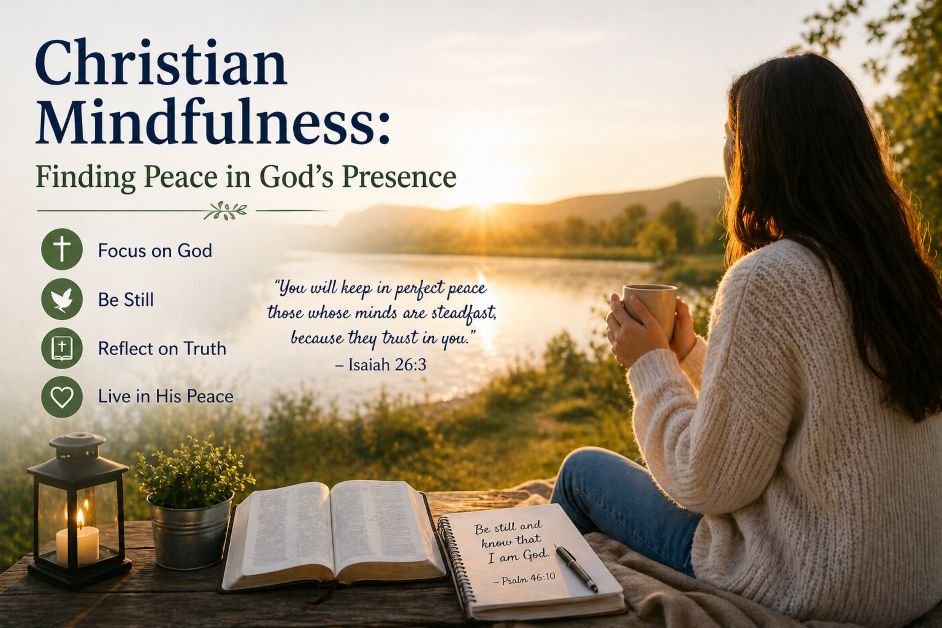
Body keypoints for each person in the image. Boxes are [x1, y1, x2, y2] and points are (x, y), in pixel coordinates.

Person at [551, 53, 942, 627]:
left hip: (819, 582)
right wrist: (685, 355)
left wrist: (649, 366)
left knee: (582, 471)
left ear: (765, 153)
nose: (726, 153)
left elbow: (707, 482)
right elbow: (808, 408)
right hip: (910, 579)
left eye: (733, 134)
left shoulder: (768, 276)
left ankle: (519, 597)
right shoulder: (902, 274)